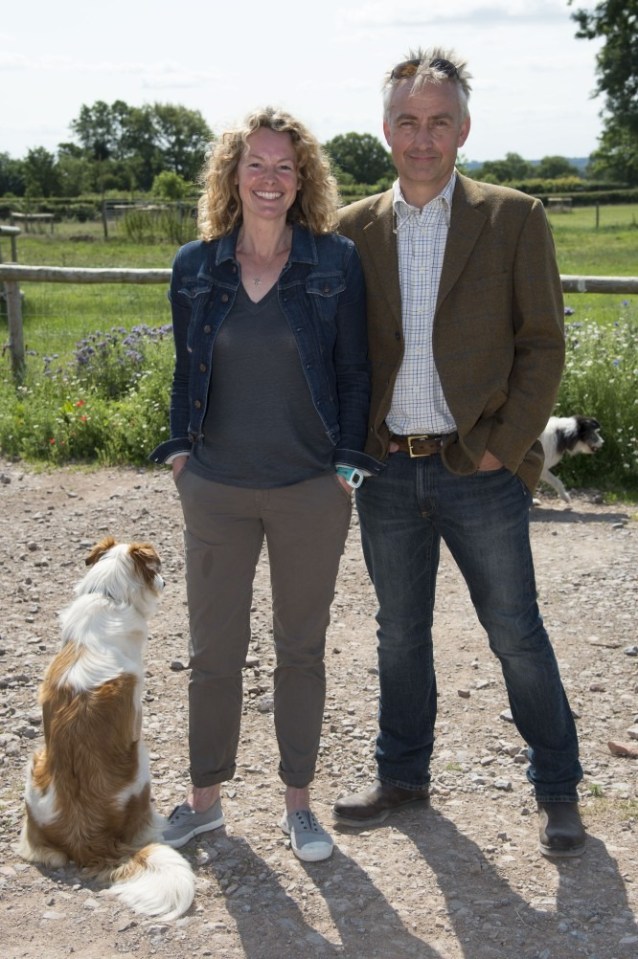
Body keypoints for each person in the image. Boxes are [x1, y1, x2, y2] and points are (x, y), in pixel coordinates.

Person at [332, 48, 586, 858]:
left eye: (439, 121)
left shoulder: (514, 216)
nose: (423, 136)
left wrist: (504, 449)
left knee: (515, 631)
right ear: (386, 131)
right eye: (408, 120)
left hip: (479, 469)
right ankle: (403, 776)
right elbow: (340, 351)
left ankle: (558, 790)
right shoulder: (352, 230)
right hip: (388, 470)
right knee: (399, 633)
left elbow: (543, 345)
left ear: (464, 129)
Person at [150, 106, 380, 862]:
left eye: (286, 166)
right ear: (233, 174)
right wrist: (180, 453)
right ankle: (204, 802)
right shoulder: (197, 265)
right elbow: (188, 369)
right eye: (257, 164)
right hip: (215, 487)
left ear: (303, 178)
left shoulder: (334, 262)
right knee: (213, 651)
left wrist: (347, 465)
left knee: (300, 650)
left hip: (310, 489)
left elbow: (353, 369)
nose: (271, 179)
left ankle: (299, 806)